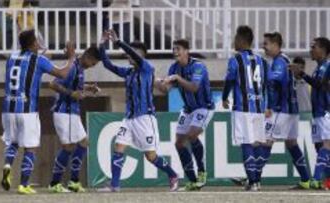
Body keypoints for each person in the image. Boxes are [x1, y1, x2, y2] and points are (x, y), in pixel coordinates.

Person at [97, 30, 179, 192]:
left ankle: (173, 175)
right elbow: (107, 64)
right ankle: (115, 185)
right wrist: (101, 44)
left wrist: (120, 42)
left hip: (145, 119)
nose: (129, 57)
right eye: (129, 54)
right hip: (129, 118)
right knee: (118, 146)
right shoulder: (128, 72)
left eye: (133, 54)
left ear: (141, 56)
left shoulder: (147, 68)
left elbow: (133, 55)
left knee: (151, 157)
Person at [1, 29, 75, 194]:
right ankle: (23, 185)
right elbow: (63, 73)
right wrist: (71, 58)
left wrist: (40, 54)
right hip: (27, 110)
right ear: (33, 43)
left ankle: (7, 165)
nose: (39, 43)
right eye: (37, 41)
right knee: (31, 147)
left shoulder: (11, 57)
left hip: (8, 108)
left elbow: (26, 65)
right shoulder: (38, 59)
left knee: (12, 142)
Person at [155, 39, 214, 191]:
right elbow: (165, 90)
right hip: (188, 109)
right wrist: (154, 81)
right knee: (179, 143)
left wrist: (177, 78)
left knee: (192, 134)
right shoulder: (174, 67)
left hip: (203, 107)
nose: (175, 51)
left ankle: (202, 172)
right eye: (173, 49)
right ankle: (193, 181)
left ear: (187, 51)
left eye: (178, 49)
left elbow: (194, 88)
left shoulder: (198, 66)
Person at [48, 46, 101, 193]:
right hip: (64, 112)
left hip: (72, 113)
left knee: (84, 142)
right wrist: (72, 94)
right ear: (87, 57)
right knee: (68, 147)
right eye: (93, 63)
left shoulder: (80, 69)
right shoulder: (72, 67)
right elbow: (53, 84)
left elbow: (73, 84)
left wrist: (88, 87)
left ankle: (74, 181)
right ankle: (54, 183)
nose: (93, 66)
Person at [222, 26, 268, 191]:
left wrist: (224, 96)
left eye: (235, 38)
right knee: (255, 144)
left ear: (242, 40)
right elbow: (265, 85)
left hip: (243, 107)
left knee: (246, 143)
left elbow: (229, 80)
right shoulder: (262, 61)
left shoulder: (235, 59)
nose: (234, 41)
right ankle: (255, 181)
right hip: (258, 107)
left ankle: (253, 181)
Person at [262, 32, 310, 189]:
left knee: (266, 139)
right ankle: (305, 179)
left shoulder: (279, 62)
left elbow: (274, 82)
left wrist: (269, 106)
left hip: (282, 109)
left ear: (276, 45)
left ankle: (252, 176)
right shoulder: (283, 60)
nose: (264, 47)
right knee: (291, 143)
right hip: (292, 109)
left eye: (266, 44)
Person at [290, 37, 330, 189]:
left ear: (323, 50)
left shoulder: (327, 66)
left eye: (314, 47)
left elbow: (319, 84)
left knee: (326, 145)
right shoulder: (318, 67)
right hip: (317, 114)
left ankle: (315, 178)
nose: (311, 50)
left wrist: (302, 74)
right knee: (319, 147)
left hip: (325, 112)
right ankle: (325, 181)